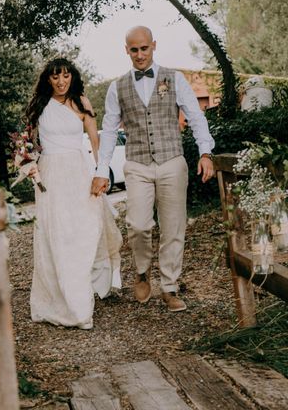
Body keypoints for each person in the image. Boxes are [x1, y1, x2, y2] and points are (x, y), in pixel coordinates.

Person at [91, 26, 215, 312]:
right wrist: (101, 170)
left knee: (174, 226)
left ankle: (170, 287)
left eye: (144, 48)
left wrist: (205, 152)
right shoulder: (117, 87)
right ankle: (142, 271)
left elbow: (196, 117)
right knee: (138, 224)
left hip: (172, 161)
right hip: (137, 164)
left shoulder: (174, 78)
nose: (139, 54)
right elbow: (108, 131)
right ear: (127, 50)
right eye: (134, 49)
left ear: (153, 46)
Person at [26, 57, 122, 329]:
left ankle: (83, 289)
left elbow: (95, 140)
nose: (60, 81)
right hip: (50, 176)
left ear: (72, 77)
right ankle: (69, 305)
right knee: (55, 235)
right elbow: (28, 145)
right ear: (48, 79)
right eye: (55, 76)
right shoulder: (39, 106)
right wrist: (28, 164)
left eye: (65, 76)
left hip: (79, 173)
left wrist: (100, 172)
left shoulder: (82, 102)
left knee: (84, 231)